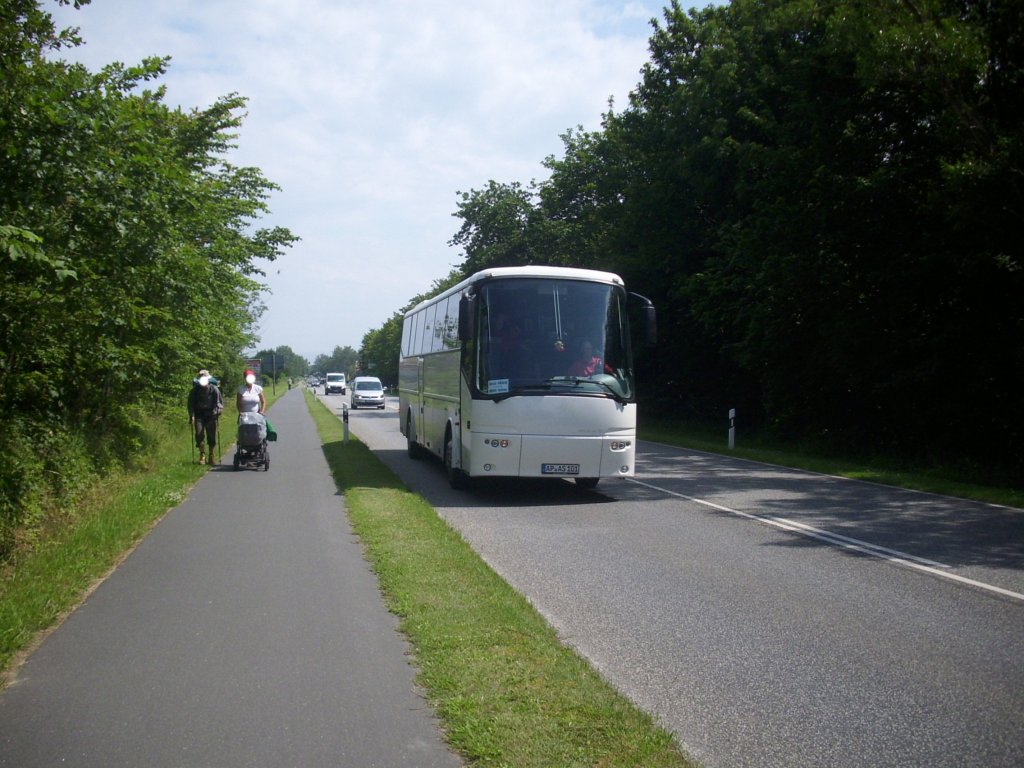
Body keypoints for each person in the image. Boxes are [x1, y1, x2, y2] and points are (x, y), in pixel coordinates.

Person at [188, 369, 223, 465]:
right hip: (199, 414)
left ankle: (211, 455)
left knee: (211, 436)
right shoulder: (194, 391)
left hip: (211, 415)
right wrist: (191, 415)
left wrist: (218, 411)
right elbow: (190, 403)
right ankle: (202, 455)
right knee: (199, 434)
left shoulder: (214, 389)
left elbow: (219, 403)